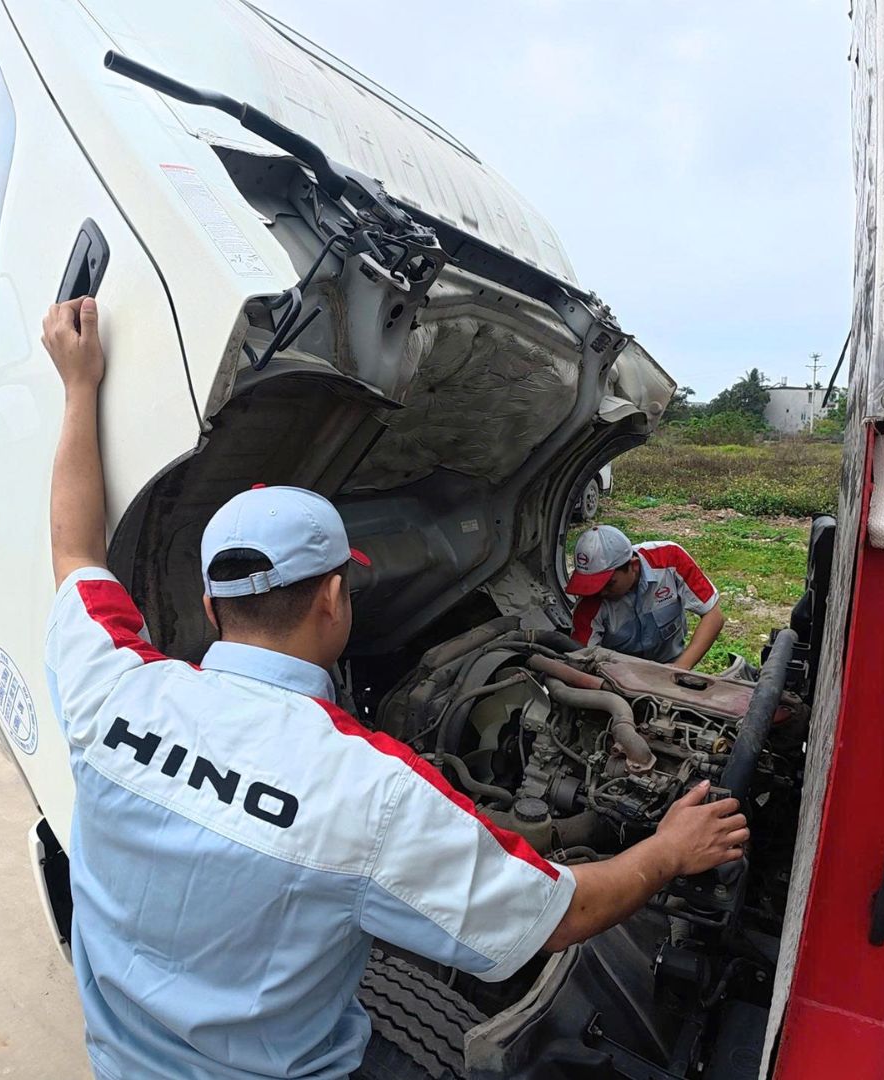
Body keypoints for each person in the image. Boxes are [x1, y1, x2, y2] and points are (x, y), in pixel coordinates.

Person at [39, 296, 747, 1080]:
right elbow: (558, 913)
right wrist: (667, 851)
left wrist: (79, 386)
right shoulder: (368, 788)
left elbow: (75, 552)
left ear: (210, 607)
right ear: (335, 598)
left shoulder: (112, 684)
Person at [565, 524, 727, 669]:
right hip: (618, 675)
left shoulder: (670, 557)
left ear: (633, 566)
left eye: (609, 584)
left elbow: (713, 615)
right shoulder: (589, 602)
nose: (601, 592)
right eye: (592, 586)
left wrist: (680, 667)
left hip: (670, 664)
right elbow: (582, 660)